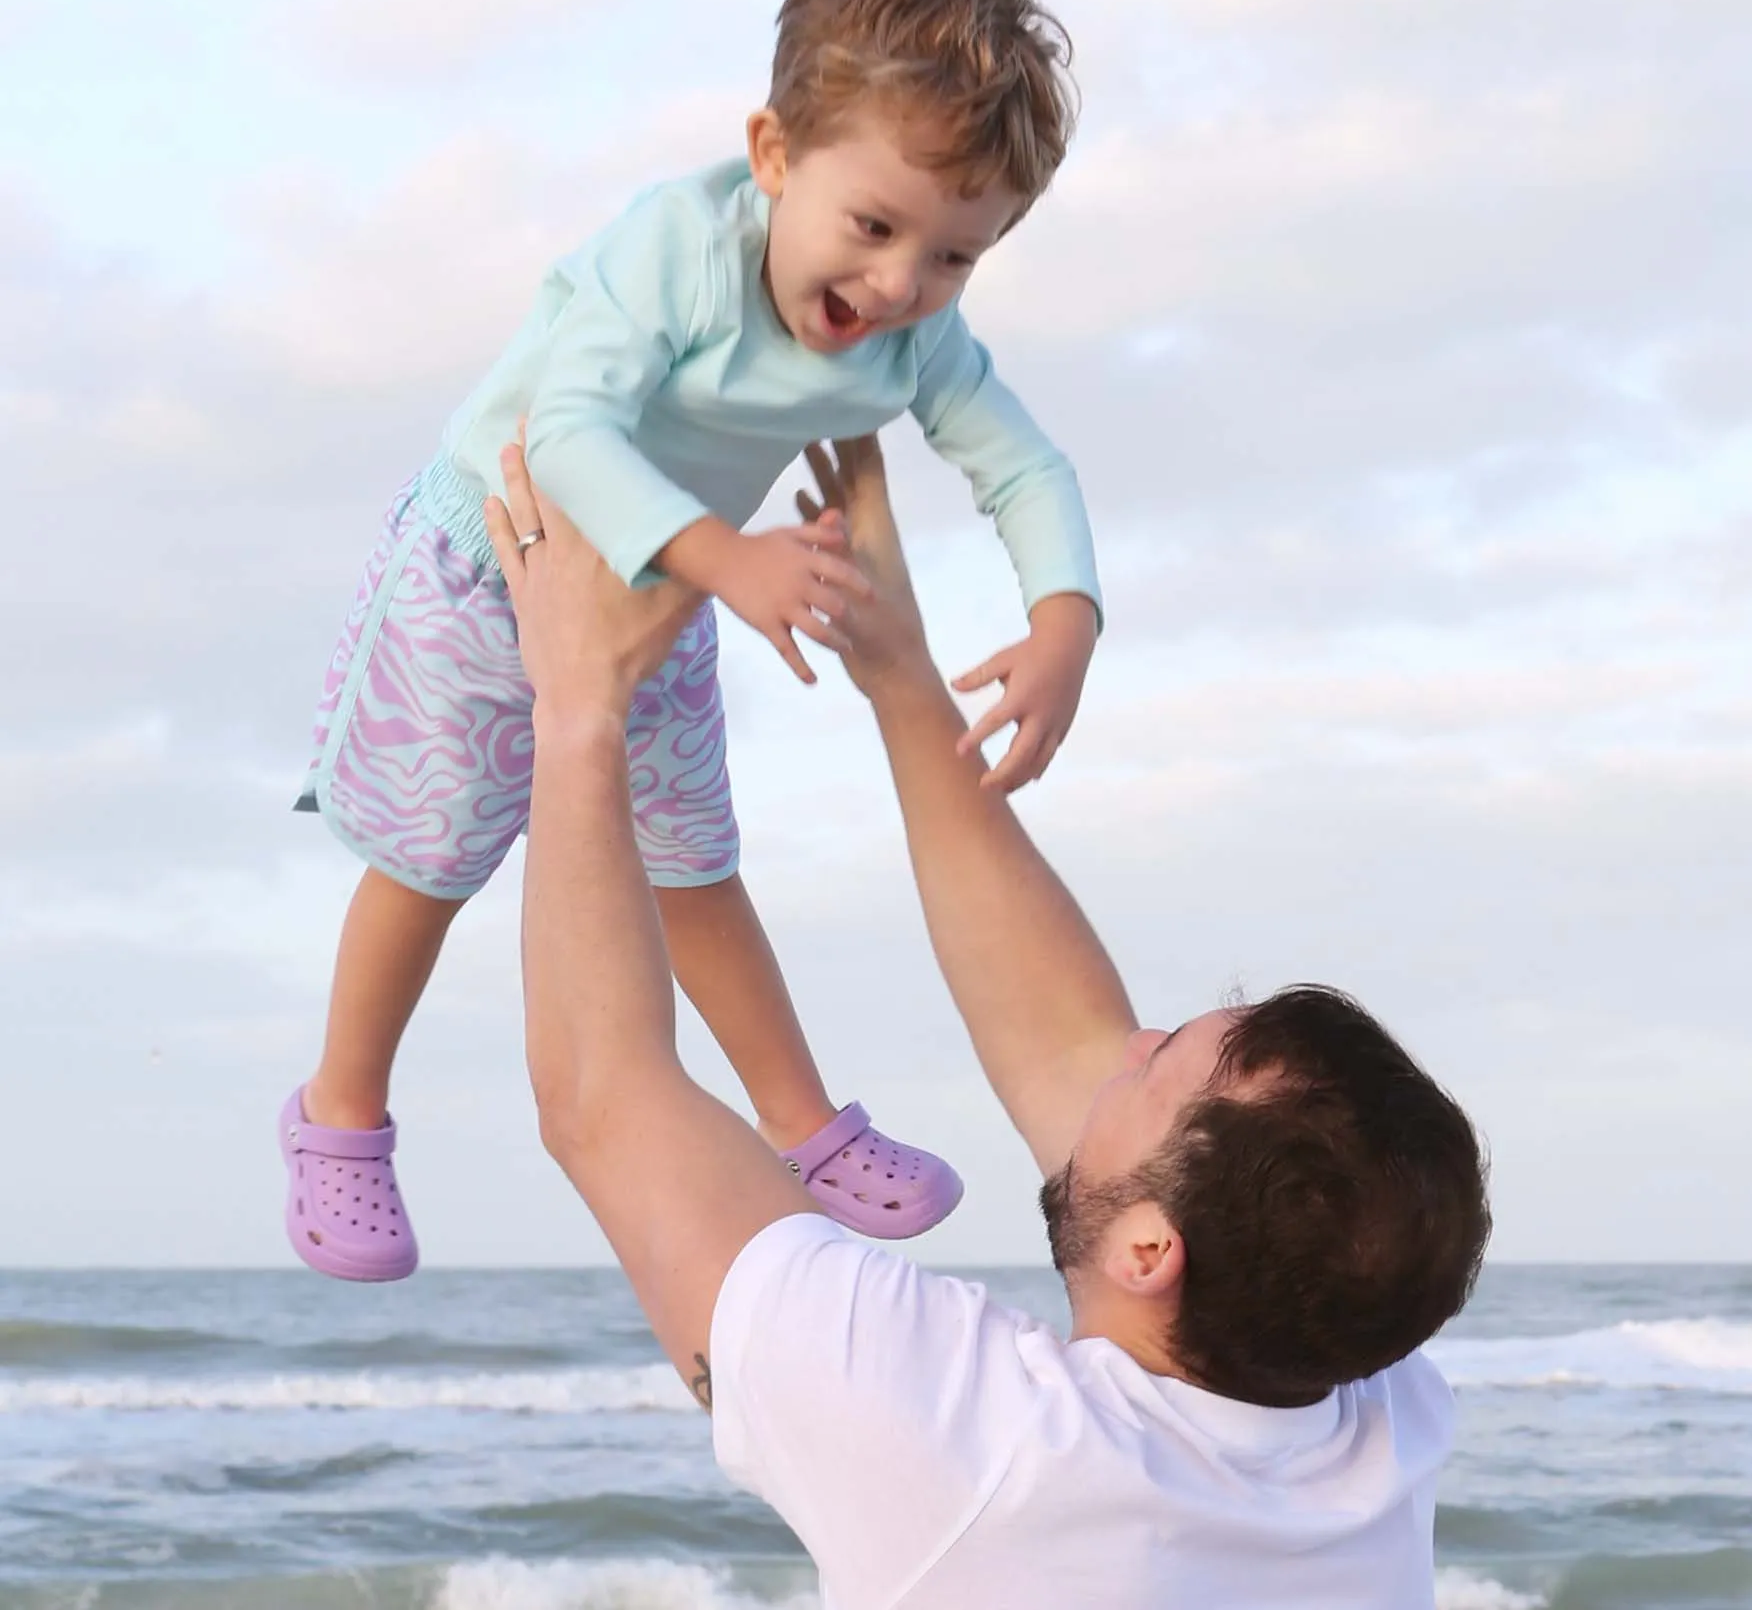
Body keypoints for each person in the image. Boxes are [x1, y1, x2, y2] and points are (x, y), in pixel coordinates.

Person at [486, 431, 1493, 1609]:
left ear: (1152, 1252)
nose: (1123, 1045)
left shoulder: (979, 1446)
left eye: (1158, 1062)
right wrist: (901, 668)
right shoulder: (1365, 1416)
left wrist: (578, 703)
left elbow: (606, 1100)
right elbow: (1067, 1044)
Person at [280, 0, 1105, 1280]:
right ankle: (338, 1113)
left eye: (956, 254)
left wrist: (1066, 616)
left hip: (669, 591)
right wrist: (729, 559)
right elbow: (569, 428)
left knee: (694, 866)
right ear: (774, 156)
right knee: (434, 861)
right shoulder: (670, 254)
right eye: (876, 229)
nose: (901, 287)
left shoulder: (914, 338)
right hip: (492, 565)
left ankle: (804, 1129)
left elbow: (1024, 466)